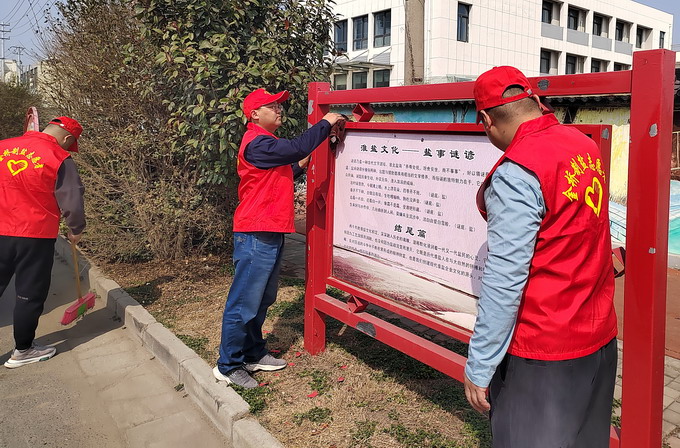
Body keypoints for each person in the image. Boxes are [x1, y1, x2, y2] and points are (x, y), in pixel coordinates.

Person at [464, 66, 618, 447]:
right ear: (534, 100)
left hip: (544, 354)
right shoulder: (583, 145)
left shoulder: (517, 171)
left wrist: (480, 364)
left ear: (486, 120)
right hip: (599, 339)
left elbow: (505, 279)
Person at [213, 88, 344, 388]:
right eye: (271, 106)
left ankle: (253, 353)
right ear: (254, 114)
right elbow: (296, 148)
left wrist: (310, 155)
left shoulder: (267, 145)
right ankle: (228, 365)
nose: (278, 109)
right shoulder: (257, 142)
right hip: (255, 232)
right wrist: (325, 122)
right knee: (244, 302)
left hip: (268, 231)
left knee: (261, 299)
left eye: (278, 105)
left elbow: (288, 168)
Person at [1, 116, 86, 368]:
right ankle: (23, 350)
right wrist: (76, 229)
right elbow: (72, 197)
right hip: (34, 234)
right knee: (29, 293)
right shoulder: (59, 157)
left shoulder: (3, 147)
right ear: (68, 138)